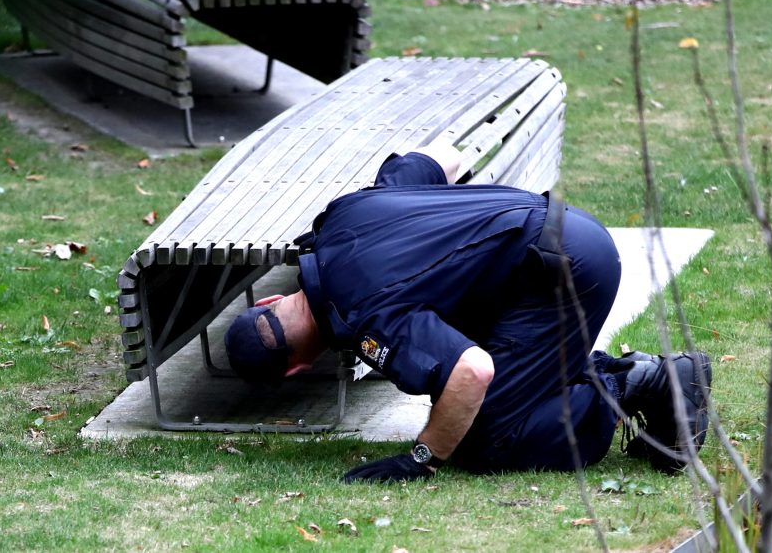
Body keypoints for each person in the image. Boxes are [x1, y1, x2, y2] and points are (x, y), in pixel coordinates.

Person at [224, 144, 712, 481]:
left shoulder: (364, 319)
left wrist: (422, 458)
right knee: (470, 378)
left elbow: (471, 372)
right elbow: (444, 157)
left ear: (297, 366)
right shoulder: (341, 216)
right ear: (269, 302)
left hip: (562, 271)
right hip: (561, 231)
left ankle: (634, 382)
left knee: (486, 438)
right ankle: (635, 380)